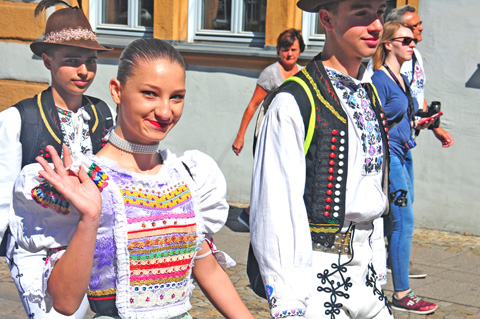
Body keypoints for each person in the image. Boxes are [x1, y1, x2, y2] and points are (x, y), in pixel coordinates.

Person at [12, 38, 255, 319]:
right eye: (150, 94)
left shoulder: (187, 177)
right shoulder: (86, 179)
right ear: (117, 91)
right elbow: (65, 302)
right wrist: (89, 218)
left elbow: (208, 269)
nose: (166, 111)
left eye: (176, 96)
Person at [250, 0, 394, 318]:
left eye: (380, 12)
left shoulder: (368, 95)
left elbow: (372, 189)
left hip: (367, 273)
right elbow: (275, 204)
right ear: (327, 18)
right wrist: (288, 300)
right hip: (315, 272)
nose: (376, 25)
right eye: (361, 13)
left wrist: (378, 265)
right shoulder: (292, 101)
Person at [0, 1, 114, 318]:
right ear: (48, 61)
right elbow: (3, 192)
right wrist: (12, 247)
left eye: (91, 61)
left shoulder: (103, 113)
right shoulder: (19, 119)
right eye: (72, 61)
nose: (84, 71)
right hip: (38, 243)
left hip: (89, 236)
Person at [371, 21, 437, 315]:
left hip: (405, 153)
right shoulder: (379, 80)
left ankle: (375, 275)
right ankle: (401, 293)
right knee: (403, 222)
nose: (413, 45)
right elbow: (373, 124)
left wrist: (420, 123)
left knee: (393, 222)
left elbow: (397, 119)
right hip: (392, 159)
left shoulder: (400, 79)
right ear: (388, 44)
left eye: (413, 41)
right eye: (406, 40)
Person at [232, 29, 305, 229]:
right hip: (270, 133)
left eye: (293, 49)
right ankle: (250, 215)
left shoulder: (302, 73)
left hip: (292, 134)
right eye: (285, 50)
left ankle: (260, 216)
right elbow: (252, 105)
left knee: (287, 178)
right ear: (278, 51)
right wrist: (240, 137)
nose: (289, 54)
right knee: (271, 177)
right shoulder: (271, 73)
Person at [387, 5, 453, 148]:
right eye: (415, 25)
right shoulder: (388, 59)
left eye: (420, 23)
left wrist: (435, 127)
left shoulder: (414, 55)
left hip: (407, 138)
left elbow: (415, 91)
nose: (421, 28)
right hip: (391, 141)